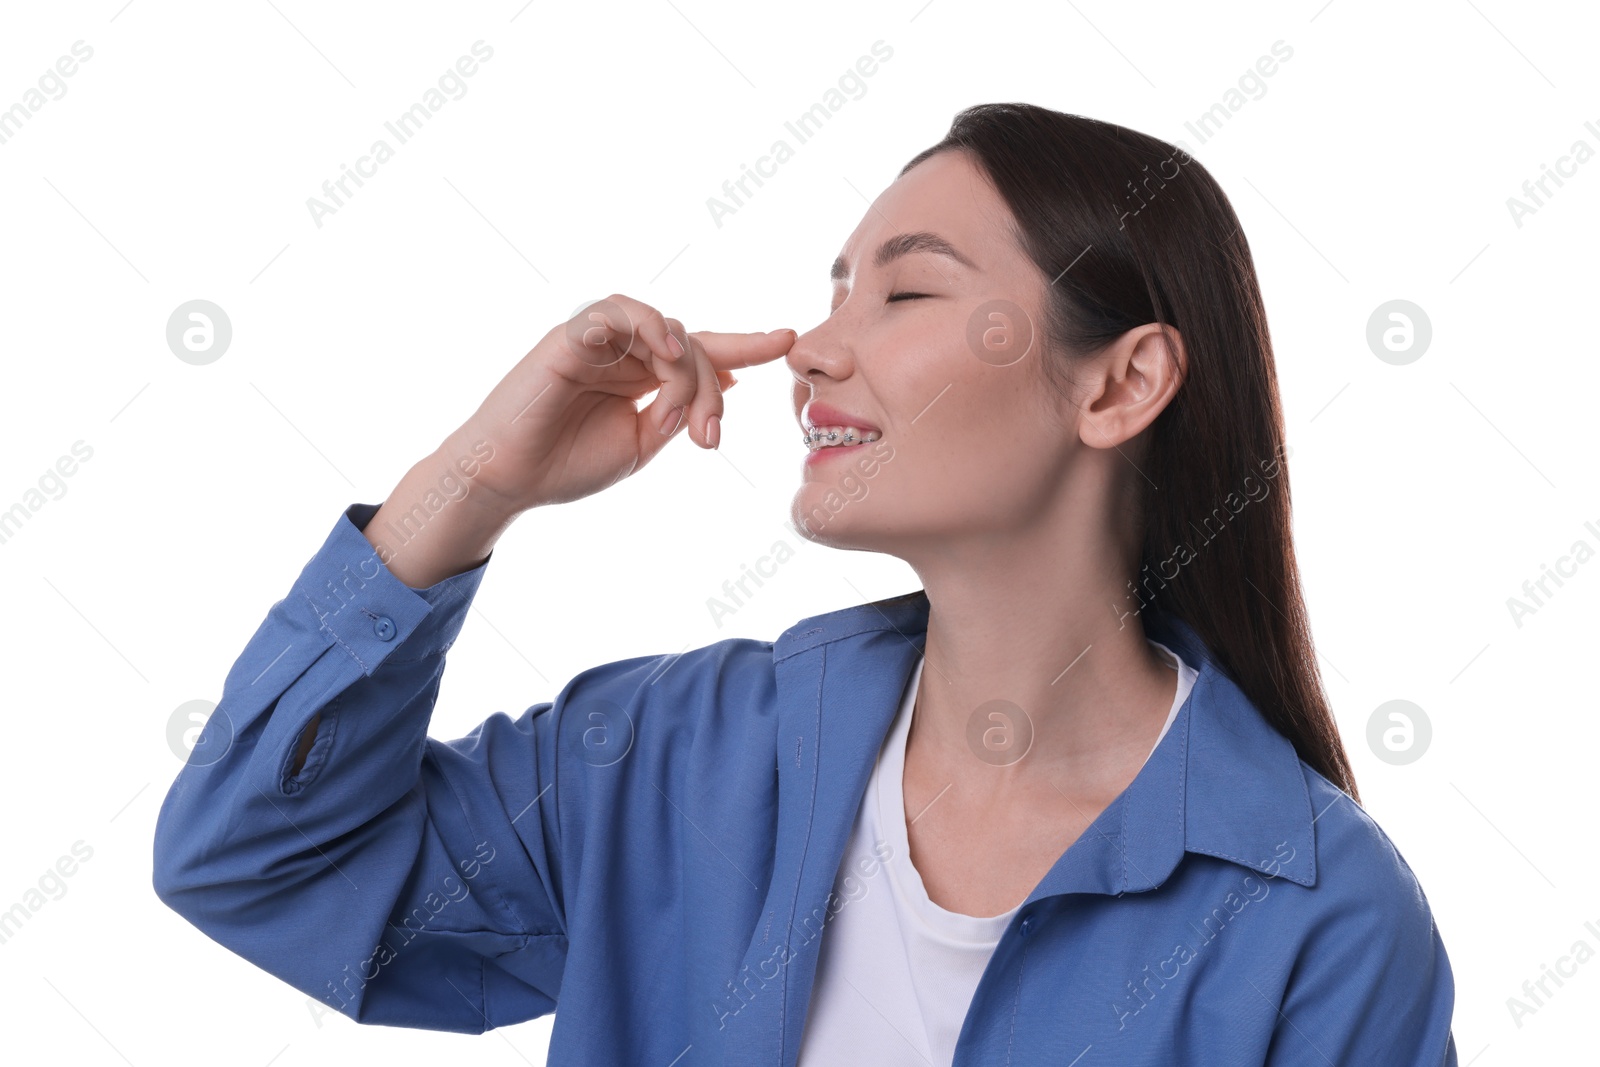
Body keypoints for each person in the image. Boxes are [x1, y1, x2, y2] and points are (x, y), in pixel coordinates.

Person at [153, 102, 1458, 1065]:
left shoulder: (1320, 921)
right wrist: (473, 485)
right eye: (835, 292)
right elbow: (255, 867)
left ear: (1119, 384)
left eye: (904, 292)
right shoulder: (673, 759)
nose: (817, 350)